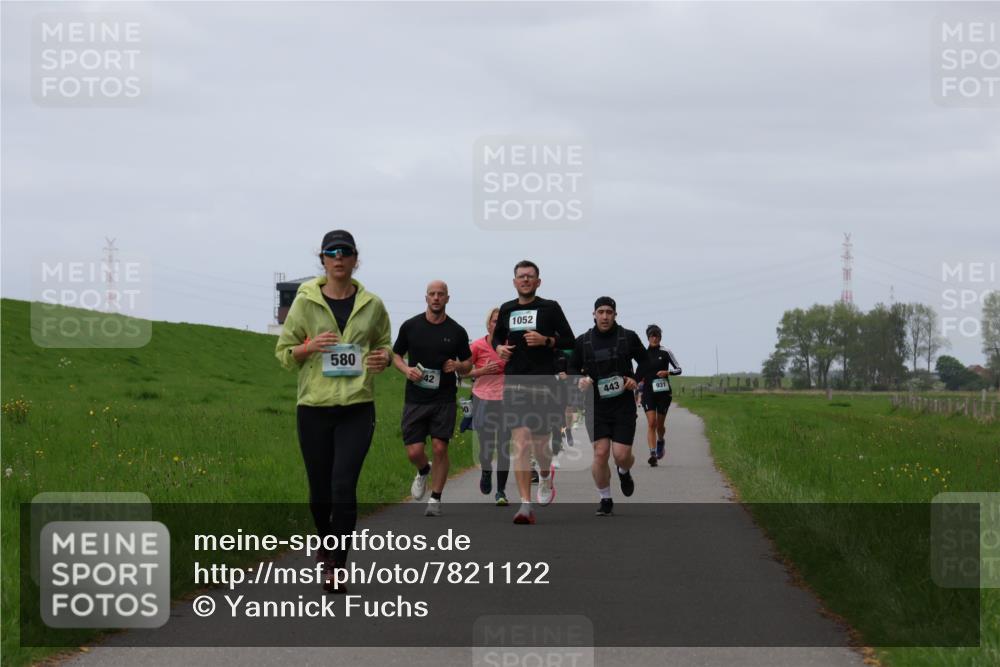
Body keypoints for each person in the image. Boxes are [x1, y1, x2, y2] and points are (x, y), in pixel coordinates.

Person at [275, 230, 392, 594]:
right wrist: (308, 347)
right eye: (331, 252)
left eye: (345, 252)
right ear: (323, 259)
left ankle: (337, 566)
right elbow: (284, 353)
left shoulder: (372, 304)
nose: (338, 258)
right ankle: (326, 542)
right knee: (320, 492)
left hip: (357, 407)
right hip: (314, 408)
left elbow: (384, 344)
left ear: (355, 258)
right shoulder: (304, 302)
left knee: (343, 485)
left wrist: (384, 358)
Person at [492, 260, 575, 524]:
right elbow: (496, 337)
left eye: (530, 276)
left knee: (540, 446)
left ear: (538, 282)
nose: (525, 280)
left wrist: (546, 340)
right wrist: (499, 348)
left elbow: (569, 340)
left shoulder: (550, 308)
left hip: (543, 385)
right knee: (521, 442)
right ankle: (525, 505)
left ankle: (546, 475)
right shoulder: (507, 309)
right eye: (521, 276)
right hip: (515, 383)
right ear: (514, 282)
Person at [392, 281, 472, 517]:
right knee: (414, 452)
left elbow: (468, 364)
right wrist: (406, 370)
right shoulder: (411, 326)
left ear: (447, 298)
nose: (436, 298)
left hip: (443, 399)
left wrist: (458, 365)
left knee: (439, 447)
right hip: (415, 398)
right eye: (432, 294)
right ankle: (423, 470)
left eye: (440, 294)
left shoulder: (457, 331)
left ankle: (435, 498)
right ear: (426, 298)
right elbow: (396, 355)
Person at [569, 297, 648, 517]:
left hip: (623, 406)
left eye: (609, 312)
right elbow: (572, 367)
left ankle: (624, 470)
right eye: (601, 312)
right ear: (594, 314)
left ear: (615, 315)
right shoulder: (583, 341)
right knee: (601, 453)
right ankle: (605, 498)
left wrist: (635, 379)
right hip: (596, 406)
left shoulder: (628, 337)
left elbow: (645, 361)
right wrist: (580, 379)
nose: (605, 316)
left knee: (621, 455)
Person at [462, 307, 510, 505]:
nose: (497, 325)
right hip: (482, 398)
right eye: (494, 321)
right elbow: (462, 372)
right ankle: (486, 471)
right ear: (488, 324)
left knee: (504, 446)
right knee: (486, 446)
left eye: (501, 322)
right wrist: (482, 371)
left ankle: (501, 492)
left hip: (507, 400)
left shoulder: (510, 346)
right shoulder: (477, 346)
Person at [637, 324, 682, 466]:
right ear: (648, 338)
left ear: (660, 337)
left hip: (663, 394)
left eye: (657, 336)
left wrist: (667, 372)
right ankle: (653, 454)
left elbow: (679, 369)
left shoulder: (666, 352)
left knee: (660, 426)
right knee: (652, 423)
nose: (654, 338)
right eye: (652, 336)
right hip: (648, 393)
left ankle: (660, 441)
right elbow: (637, 375)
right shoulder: (643, 354)